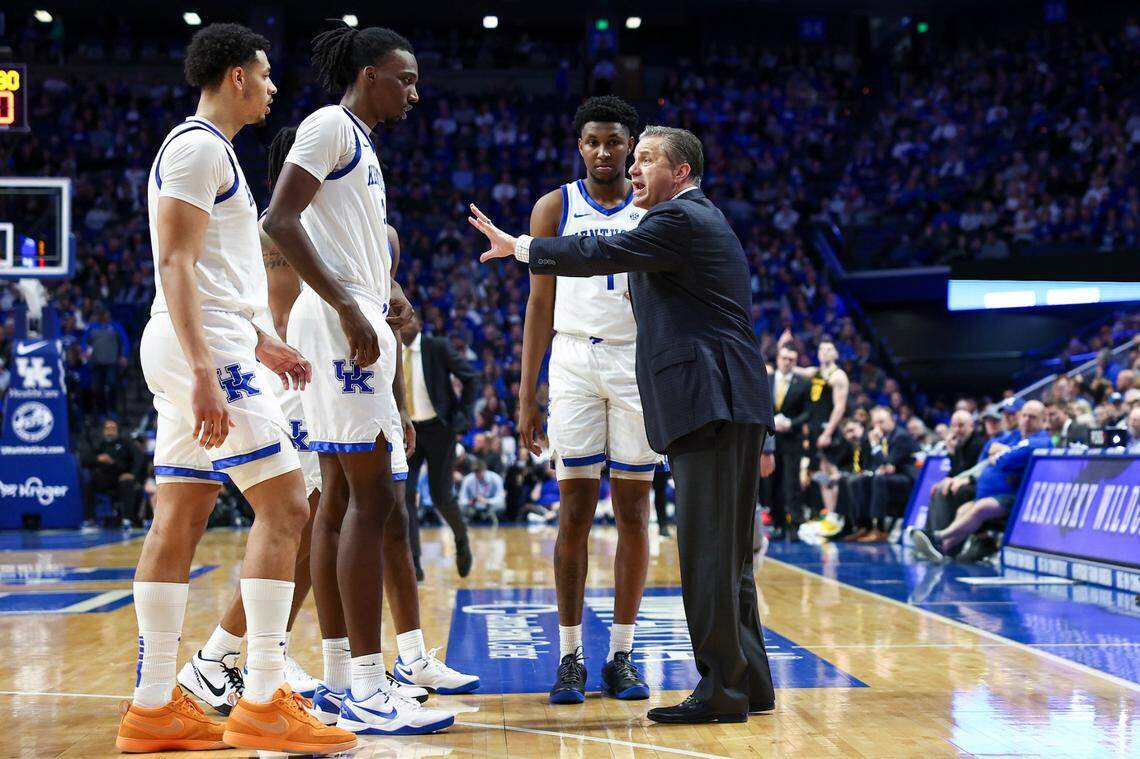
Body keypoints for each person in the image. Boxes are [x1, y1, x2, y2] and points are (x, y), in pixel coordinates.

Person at [470, 125, 776, 724]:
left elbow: (596, 251)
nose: (632, 170)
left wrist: (523, 247)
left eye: (645, 160)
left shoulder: (678, 220)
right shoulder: (692, 217)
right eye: (631, 161)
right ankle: (751, 684)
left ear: (680, 172)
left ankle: (721, 691)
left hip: (708, 401)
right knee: (731, 555)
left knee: (709, 556)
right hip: (727, 400)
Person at [118, 23, 355, 755]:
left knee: (181, 513)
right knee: (289, 506)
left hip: (214, 340)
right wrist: (204, 370)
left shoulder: (211, 152)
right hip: (201, 346)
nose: (275, 86)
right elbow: (177, 266)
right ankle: (261, 695)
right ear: (237, 78)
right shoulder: (196, 147)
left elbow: (213, 276)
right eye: (266, 73)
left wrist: (263, 341)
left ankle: (155, 704)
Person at [263, 23, 452, 736]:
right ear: (369, 74)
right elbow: (278, 217)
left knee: (342, 499)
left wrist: (382, 292)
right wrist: (348, 304)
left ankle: (344, 677)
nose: (413, 92)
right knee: (371, 503)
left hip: (353, 318)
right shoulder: (328, 127)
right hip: (340, 328)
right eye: (403, 78)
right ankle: (372, 684)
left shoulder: (356, 142)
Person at [518, 95, 656, 704]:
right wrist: (527, 392)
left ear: (632, 148)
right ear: (580, 146)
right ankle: (570, 656)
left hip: (635, 362)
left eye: (615, 142)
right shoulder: (555, 206)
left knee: (633, 512)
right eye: (593, 141)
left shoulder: (653, 208)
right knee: (574, 509)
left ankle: (622, 656)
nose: (604, 151)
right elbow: (539, 305)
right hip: (573, 360)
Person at [910, 400, 1051, 562]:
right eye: (1024, 416)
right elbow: (992, 452)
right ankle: (942, 550)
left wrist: (1001, 454)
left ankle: (938, 537)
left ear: (1042, 420)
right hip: (989, 494)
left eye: (1032, 417)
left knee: (979, 508)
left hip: (1014, 497)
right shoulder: (1014, 437)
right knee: (963, 509)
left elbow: (1005, 460)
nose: (1026, 420)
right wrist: (1003, 453)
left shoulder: (1039, 440)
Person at [398, 310, 479, 580]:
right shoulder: (391, 348)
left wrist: (460, 417)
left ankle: (461, 538)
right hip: (408, 431)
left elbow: (471, 377)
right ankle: (414, 562)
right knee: (406, 495)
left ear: (418, 323)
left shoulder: (437, 347)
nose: (402, 324)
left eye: (407, 318)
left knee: (441, 495)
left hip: (439, 429)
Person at [845, 406, 919, 542]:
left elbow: (888, 465)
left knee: (879, 479)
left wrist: (875, 445)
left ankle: (879, 528)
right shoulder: (880, 437)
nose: (878, 426)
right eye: (876, 423)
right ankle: (863, 526)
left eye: (882, 422)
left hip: (906, 478)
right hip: (888, 476)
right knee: (858, 480)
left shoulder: (900, 436)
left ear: (892, 420)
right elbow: (872, 464)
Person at [765, 343, 811, 538]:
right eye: (784, 358)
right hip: (771, 439)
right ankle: (777, 522)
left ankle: (794, 525)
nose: (787, 362)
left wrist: (791, 423)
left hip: (792, 438)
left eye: (791, 359)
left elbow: (808, 412)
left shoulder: (803, 383)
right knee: (772, 482)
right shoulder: (766, 380)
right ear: (778, 359)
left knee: (791, 482)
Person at [925, 409, 988, 534]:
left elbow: (965, 473)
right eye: (953, 425)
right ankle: (929, 533)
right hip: (963, 481)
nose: (956, 430)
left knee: (947, 491)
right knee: (936, 488)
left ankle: (940, 537)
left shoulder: (977, 444)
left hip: (976, 484)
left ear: (971, 426)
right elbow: (955, 473)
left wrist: (951, 452)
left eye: (961, 426)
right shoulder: (960, 443)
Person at [84, 418, 143, 526]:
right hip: (105, 477)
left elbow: (138, 458)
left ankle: (127, 519)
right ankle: (90, 519)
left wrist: (132, 474)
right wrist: (98, 459)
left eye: (113, 428)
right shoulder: (100, 444)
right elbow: (86, 460)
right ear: (103, 431)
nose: (110, 430)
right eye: (108, 428)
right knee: (89, 485)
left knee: (127, 484)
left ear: (117, 430)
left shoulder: (126, 442)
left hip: (121, 476)